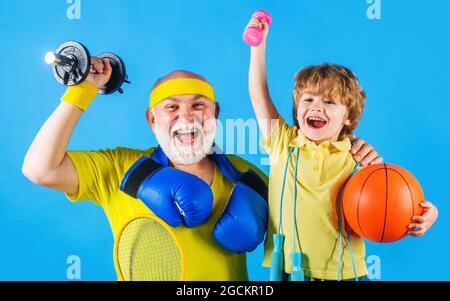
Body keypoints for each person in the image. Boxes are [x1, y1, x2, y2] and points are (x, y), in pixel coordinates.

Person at [23, 56, 383, 280]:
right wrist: (82, 89)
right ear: (151, 119)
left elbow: (319, 207)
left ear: (215, 115)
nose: (187, 117)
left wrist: (353, 150)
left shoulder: (247, 176)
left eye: (199, 105)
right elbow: (40, 168)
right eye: (171, 107)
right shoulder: (121, 167)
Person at [245, 17, 438, 281]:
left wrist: (429, 213)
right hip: (289, 269)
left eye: (329, 102)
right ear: (297, 108)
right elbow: (258, 92)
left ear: (348, 116)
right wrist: (259, 45)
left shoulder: (359, 158)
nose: (316, 107)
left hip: (345, 273)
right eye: (308, 99)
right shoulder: (283, 143)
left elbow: (397, 199)